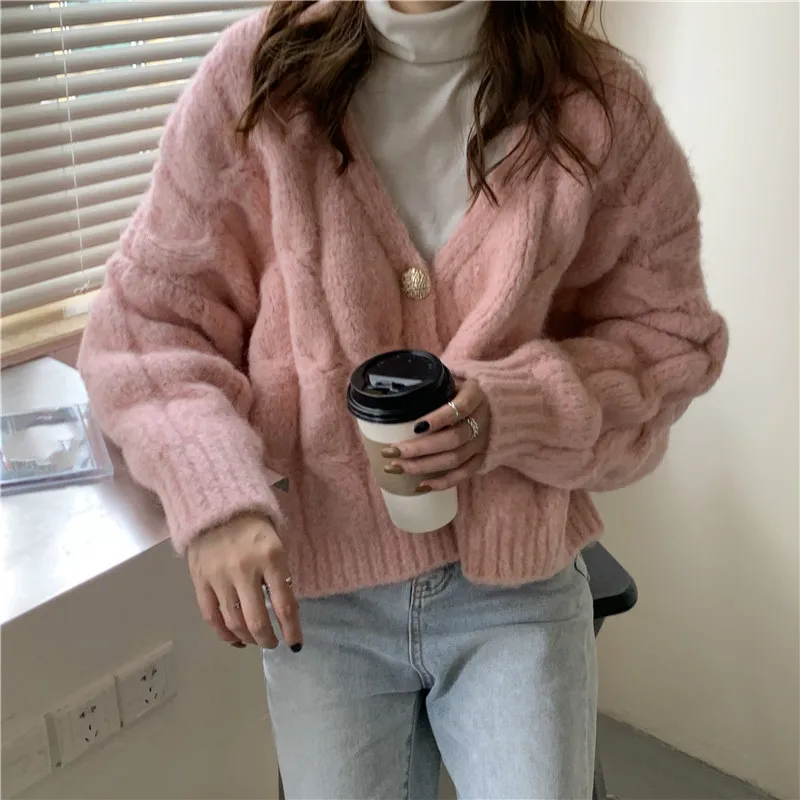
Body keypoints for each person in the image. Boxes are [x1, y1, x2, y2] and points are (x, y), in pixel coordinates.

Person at [78, 1, 728, 797]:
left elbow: (670, 339)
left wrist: (515, 409)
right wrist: (214, 493)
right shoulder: (259, 80)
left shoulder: (599, 107)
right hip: (326, 606)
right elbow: (147, 325)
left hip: (517, 593)